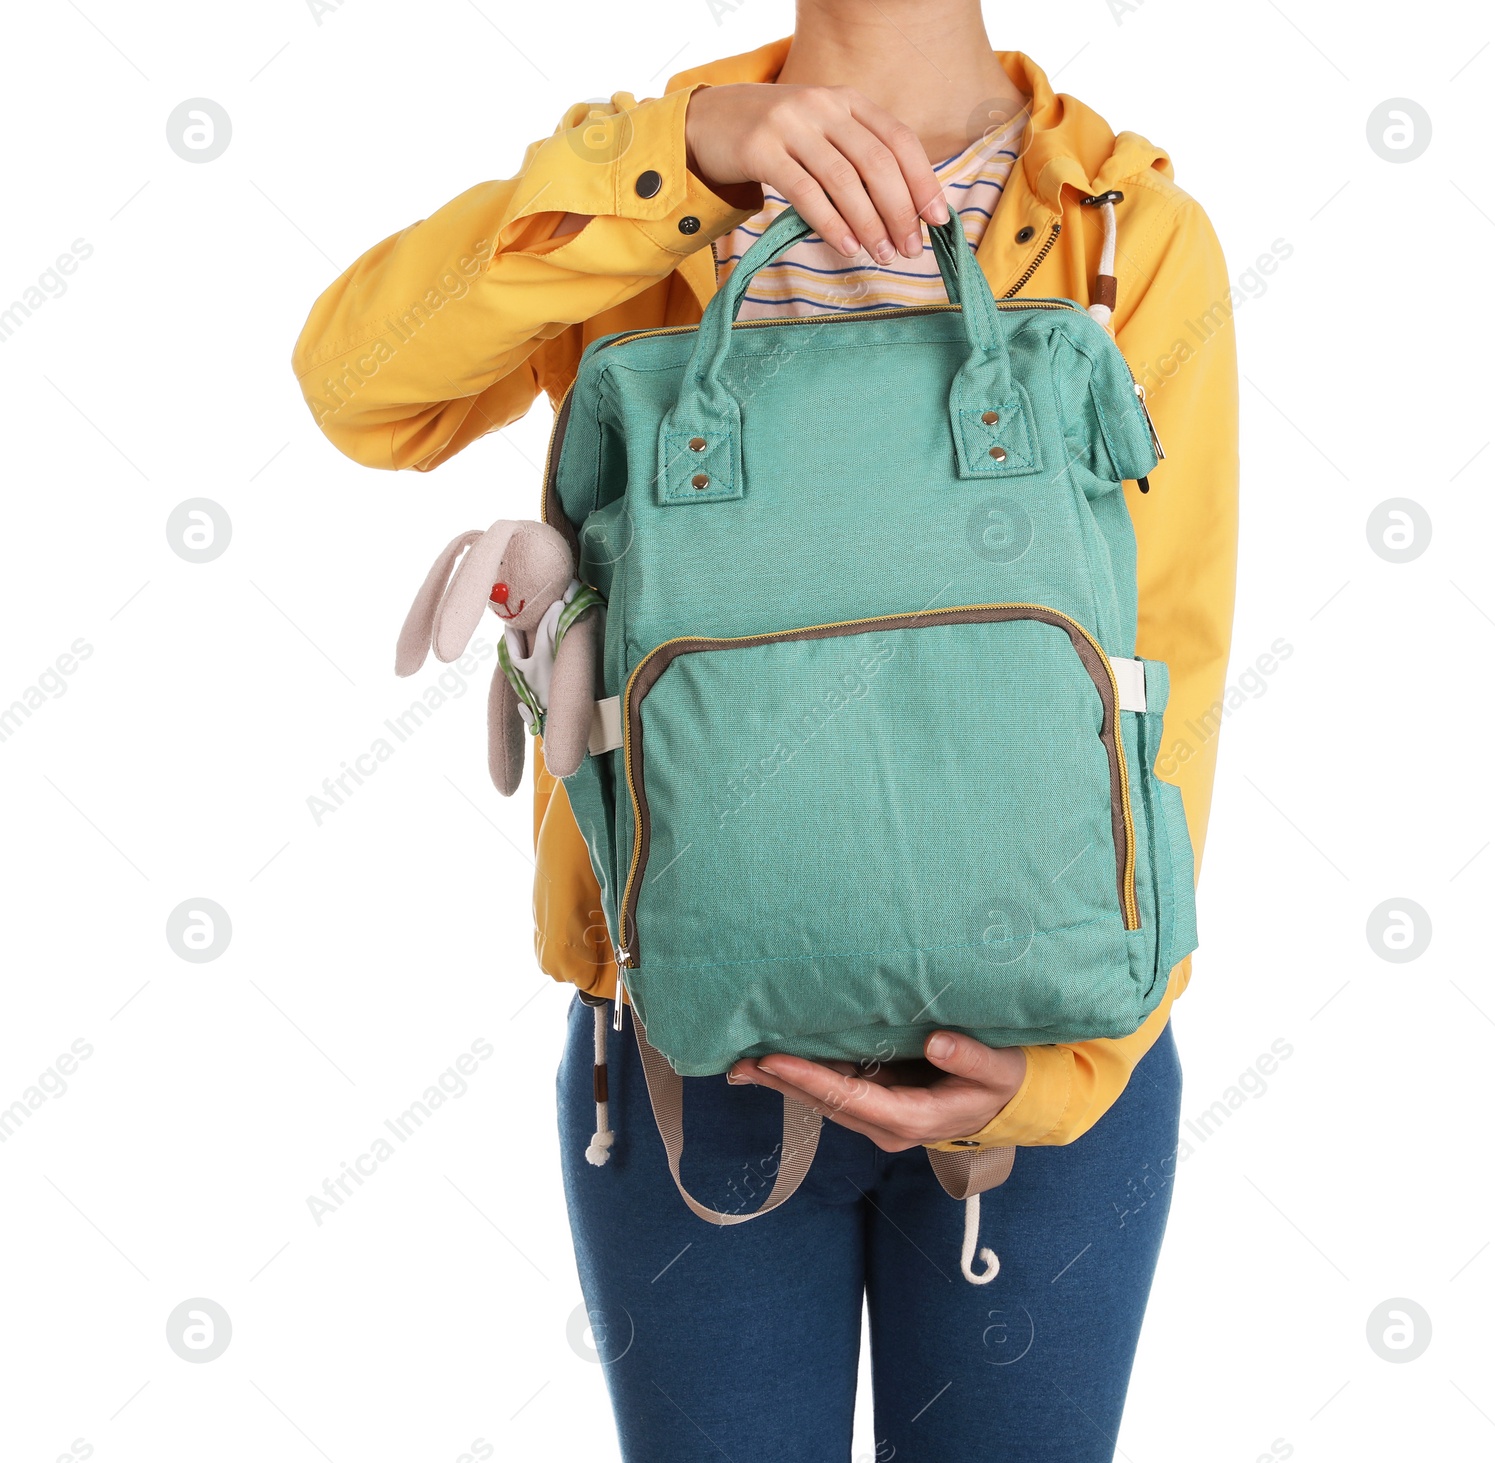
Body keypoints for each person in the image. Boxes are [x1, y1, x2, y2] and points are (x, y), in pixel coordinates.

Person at [292, 5, 1238, 1458]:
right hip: (688, 1060)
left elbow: (1161, 674)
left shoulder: (1124, 223)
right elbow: (360, 386)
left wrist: (1064, 1078)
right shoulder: (654, 171)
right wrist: (684, 155)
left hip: (1039, 1062)